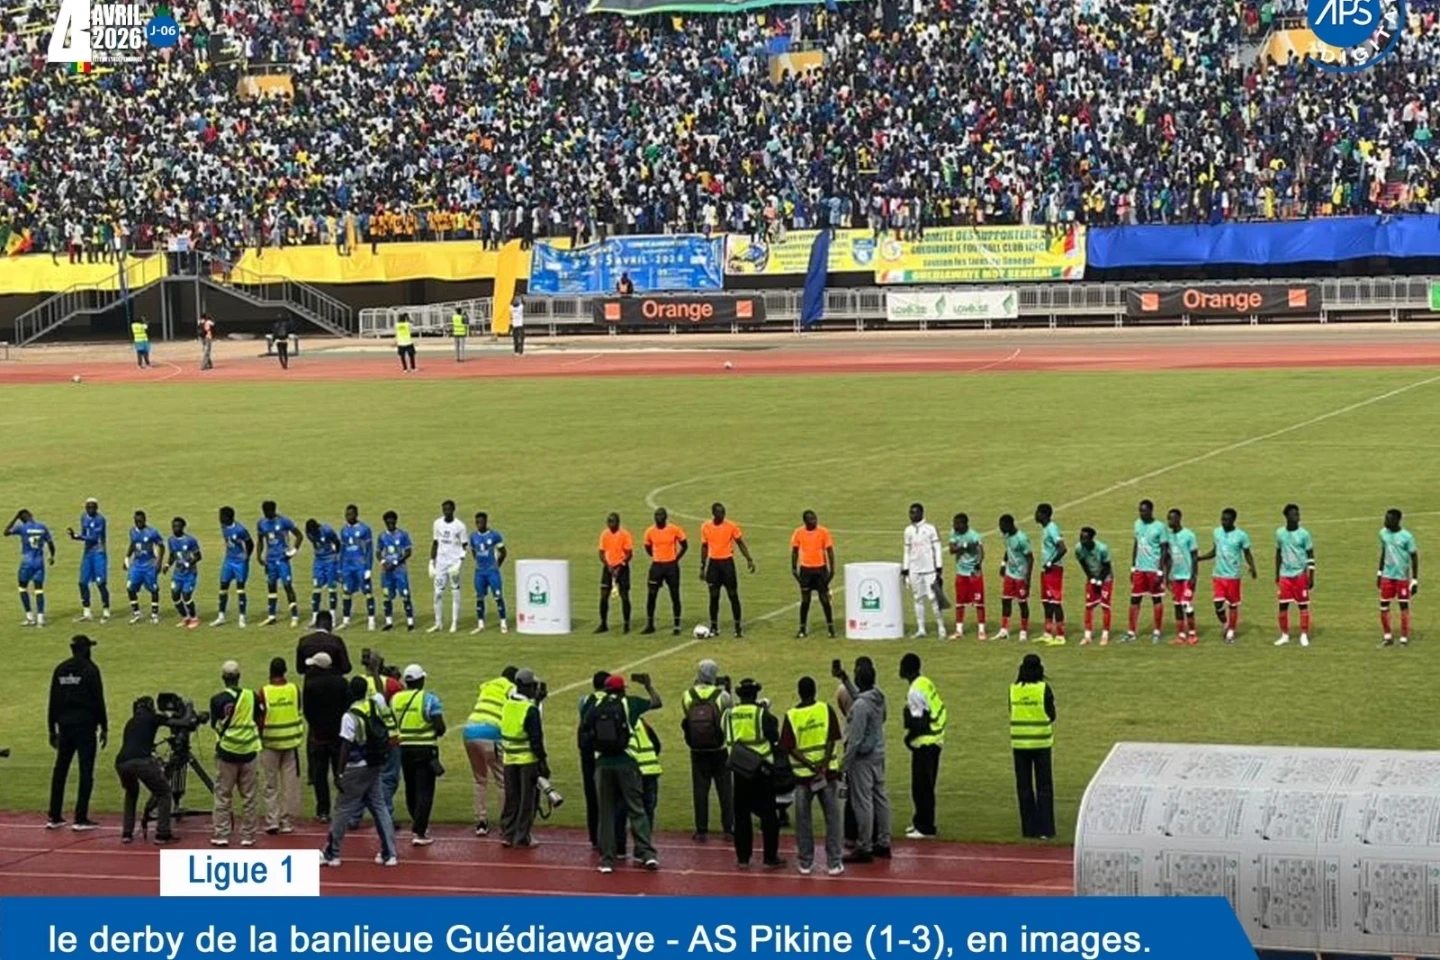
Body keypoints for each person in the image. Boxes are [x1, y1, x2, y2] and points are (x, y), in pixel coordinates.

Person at [321, 675, 400, 867]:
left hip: (356, 767)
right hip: (374, 764)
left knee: (343, 809)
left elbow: (346, 746)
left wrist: (339, 773)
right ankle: (389, 853)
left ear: (350, 692)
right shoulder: (375, 706)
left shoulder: (350, 716)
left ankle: (333, 853)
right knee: (379, 807)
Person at [588, 673, 660, 873]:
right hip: (626, 762)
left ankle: (607, 859)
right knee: (636, 809)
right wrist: (648, 686)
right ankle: (646, 854)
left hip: (602, 764)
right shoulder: (630, 704)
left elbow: (586, 729)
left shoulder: (596, 705)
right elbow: (657, 702)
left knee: (606, 812)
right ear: (623, 689)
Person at [780, 676, 843, 876]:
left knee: (803, 821)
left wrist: (810, 764)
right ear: (815, 691)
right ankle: (834, 862)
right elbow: (832, 739)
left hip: (802, 776)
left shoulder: (791, 715)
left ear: (799, 692)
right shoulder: (826, 709)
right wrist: (823, 764)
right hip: (827, 775)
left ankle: (806, 862)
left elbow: (789, 748)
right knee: (833, 818)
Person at [47, 635, 107, 831]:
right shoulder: (90, 669)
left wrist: (51, 729)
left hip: (64, 726)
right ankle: (80, 817)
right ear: (85, 649)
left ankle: (54, 815)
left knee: (60, 770)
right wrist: (104, 726)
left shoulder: (60, 669)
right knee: (86, 771)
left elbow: (53, 700)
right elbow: (99, 699)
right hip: (85, 726)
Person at [724, 677, 782, 869]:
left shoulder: (728, 714)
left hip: (739, 770)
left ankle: (743, 858)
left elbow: (722, 733)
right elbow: (774, 735)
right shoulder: (761, 714)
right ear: (756, 694)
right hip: (761, 770)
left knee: (741, 815)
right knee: (768, 814)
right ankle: (770, 857)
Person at [209, 659, 264, 847]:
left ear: (223, 678)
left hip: (227, 752)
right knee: (249, 797)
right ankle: (248, 835)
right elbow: (259, 718)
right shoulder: (252, 696)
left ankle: (222, 833)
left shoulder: (217, 700)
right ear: (239, 677)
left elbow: (214, 724)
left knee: (223, 795)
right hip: (249, 751)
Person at [841, 660, 891, 864]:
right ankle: (883, 841)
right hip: (878, 753)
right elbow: (860, 697)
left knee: (863, 802)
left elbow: (855, 740)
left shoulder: (861, 706)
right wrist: (844, 679)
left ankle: (864, 846)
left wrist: (844, 763)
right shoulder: (877, 696)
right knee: (880, 797)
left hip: (862, 758)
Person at [392, 663, 445, 844]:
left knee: (411, 787)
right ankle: (420, 831)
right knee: (425, 790)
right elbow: (440, 727)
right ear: (421, 679)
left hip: (403, 748)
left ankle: (418, 822)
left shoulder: (395, 699)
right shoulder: (429, 699)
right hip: (425, 749)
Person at [682, 659, 733, 843]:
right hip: (719, 749)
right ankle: (728, 829)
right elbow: (729, 715)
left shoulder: (687, 695)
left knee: (700, 790)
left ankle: (701, 830)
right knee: (725, 790)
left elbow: (687, 717)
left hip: (697, 749)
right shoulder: (723, 695)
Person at [115, 695, 177, 844]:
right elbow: (175, 722)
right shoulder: (152, 717)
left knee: (131, 793)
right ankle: (162, 833)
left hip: (121, 762)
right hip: (141, 761)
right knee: (164, 792)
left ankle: (127, 833)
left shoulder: (130, 722)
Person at [899, 652, 946, 839]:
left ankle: (925, 827)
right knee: (924, 785)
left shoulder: (915, 691)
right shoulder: (925, 682)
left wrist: (908, 737)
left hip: (926, 743)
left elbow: (921, 722)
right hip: (935, 739)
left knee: (922, 787)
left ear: (907, 669)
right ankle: (919, 821)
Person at [499, 668, 549, 848]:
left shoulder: (507, 704)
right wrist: (543, 762)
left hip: (508, 758)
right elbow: (536, 740)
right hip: (527, 759)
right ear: (528, 687)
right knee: (527, 800)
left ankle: (507, 833)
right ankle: (522, 836)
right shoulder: (530, 709)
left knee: (512, 798)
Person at [1010, 653, 1056, 840]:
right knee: (1044, 787)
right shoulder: (1043, 688)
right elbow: (1051, 714)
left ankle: (1029, 829)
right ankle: (1045, 829)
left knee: (1024, 787)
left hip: (1019, 744)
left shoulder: (1013, 689)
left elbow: (1011, 710)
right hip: (1041, 743)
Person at [465, 666, 516, 836]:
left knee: (480, 780)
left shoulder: (488, 685)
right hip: (490, 732)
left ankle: (481, 821)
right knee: (502, 779)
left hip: (469, 731)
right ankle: (505, 822)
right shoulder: (510, 688)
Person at [300, 651, 349, 823]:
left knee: (320, 776)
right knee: (340, 773)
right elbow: (347, 708)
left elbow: (307, 711)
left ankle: (323, 811)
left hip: (319, 736)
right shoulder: (342, 683)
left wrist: (316, 726)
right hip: (338, 734)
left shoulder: (311, 684)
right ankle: (344, 808)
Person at [1197, 508, 1257, 644]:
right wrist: (1200, 558)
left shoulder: (1241, 536)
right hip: (1218, 575)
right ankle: (1225, 623)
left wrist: (1252, 567)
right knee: (1217, 604)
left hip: (1233, 576)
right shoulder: (1217, 533)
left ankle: (1231, 631)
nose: (1223, 522)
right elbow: (1214, 551)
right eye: (1222, 519)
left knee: (1233, 605)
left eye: (1226, 520)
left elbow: (1247, 553)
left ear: (1233, 520)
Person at [258, 657, 303, 835]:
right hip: (290, 742)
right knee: (288, 783)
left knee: (271, 784)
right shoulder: (293, 689)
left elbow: (260, 718)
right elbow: (298, 709)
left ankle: (272, 820)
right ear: (285, 671)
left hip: (270, 742)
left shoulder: (265, 691)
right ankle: (286, 821)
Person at [700, 502, 755, 638]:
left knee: (733, 596)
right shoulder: (706, 527)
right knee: (714, 597)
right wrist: (702, 566)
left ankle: (737, 627)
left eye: (723, 512)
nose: (722, 515)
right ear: (713, 513)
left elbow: (740, 542)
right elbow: (704, 547)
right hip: (713, 565)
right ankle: (714, 627)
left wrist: (749, 558)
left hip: (727, 564)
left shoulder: (731, 526)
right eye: (719, 512)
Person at [1126, 499, 1170, 644]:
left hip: (1153, 569)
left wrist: (1160, 571)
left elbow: (1164, 549)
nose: (1141, 513)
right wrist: (1133, 567)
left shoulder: (1160, 527)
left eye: (1144, 510)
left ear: (1151, 511)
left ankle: (1157, 631)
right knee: (1135, 599)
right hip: (1140, 568)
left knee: (1156, 598)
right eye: (1140, 510)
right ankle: (1131, 632)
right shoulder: (1137, 524)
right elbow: (1136, 544)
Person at [902, 502, 946, 640]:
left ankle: (941, 628)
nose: (912, 515)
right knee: (917, 598)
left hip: (929, 570)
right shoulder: (908, 530)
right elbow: (907, 551)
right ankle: (921, 629)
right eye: (910, 512)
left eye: (914, 512)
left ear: (921, 513)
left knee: (933, 598)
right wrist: (905, 569)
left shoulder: (930, 528)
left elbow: (937, 548)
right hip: (914, 570)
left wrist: (939, 567)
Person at [1274, 503, 1316, 647]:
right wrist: (1277, 574)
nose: (1297, 517)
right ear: (1286, 516)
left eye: (1298, 514)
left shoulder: (1304, 534)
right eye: (1294, 514)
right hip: (1285, 575)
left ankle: (1304, 634)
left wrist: (1311, 575)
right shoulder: (1280, 533)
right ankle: (1284, 635)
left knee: (1303, 605)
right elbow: (1278, 553)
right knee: (1283, 605)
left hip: (1300, 574)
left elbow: (1310, 554)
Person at [790, 510, 836, 638]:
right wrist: (794, 568)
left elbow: (830, 551)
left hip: (820, 570)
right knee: (805, 600)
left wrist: (832, 569)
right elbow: (794, 551)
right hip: (806, 570)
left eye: (815, 518)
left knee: (824, 599)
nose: (814, 521)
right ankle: (802, 629)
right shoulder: (798, 533)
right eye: (811, 519)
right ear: (805, 521)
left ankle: (831, 628)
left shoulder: (823, 532)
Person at [1378, 509, 1420, 647]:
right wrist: (1379, 572)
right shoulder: (1383, 533)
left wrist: (1414, 580)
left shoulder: (1407, 537)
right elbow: (1384, 552)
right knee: (1384, 606)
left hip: (1402, 577)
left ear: (1397, 520)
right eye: (1385, 518)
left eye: (1388, 519)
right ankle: (1387, 636)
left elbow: (1414, 557)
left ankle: (1403, 637)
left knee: (1403, 606)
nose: (1385, 521)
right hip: (1387, 576)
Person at [257, 500, 303, 627]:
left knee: (287, 585)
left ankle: (294, 616)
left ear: (273, 510)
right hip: (270, 560)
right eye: (264, 511)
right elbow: (260, 540)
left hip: (282, 559)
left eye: (267, 511)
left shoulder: (284, 521)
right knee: (271, 587)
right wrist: (259, 555)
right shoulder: (261, 523)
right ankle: (271, 616)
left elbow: (299, 535)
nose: (265, 514)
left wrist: (293, 551)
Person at [642, 507, 687, 635]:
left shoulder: (674, 529)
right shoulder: (650, 531)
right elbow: (647, 546)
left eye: (661, 515)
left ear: (666, 517)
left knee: (675, 595)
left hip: (671, 566)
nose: (658, 518)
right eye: (656, 515)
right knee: (651, 595)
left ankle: (677, 625)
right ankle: (650, 624)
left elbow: (684, 545)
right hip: (657, 566)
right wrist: (656, 556)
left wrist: (676, 559)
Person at [7, 509, 55, 627]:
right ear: (31, 515)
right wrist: (52, 556)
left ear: (21, 519)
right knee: (39, 590)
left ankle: (29, 617)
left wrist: (15, 518)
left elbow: (6, 532)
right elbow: (50, 543)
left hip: (27, 563)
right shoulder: (42, 527)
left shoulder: (22, 528)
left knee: (22, 588)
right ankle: (40, 619)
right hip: (39, 563)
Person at [577, 671, 609, 848]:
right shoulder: (611, 701)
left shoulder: (584, 700)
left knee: (591, 795)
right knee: (608, 796)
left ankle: (594, 836)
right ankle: (608, 837)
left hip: (586, 752)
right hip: (604, 752)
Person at [68, 498, 111, 623]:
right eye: (89, 507)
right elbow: (84, 534)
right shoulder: (84, 517)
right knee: (82, 582)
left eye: (93, 507)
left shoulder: (100, 520)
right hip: (87, 553)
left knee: (100, 583)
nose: (91, 509)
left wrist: (77, 536)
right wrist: (76, 536)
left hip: (99, 553)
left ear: (97, 508)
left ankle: (106, 610)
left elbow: (93, 537)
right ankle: (86, 612)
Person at [427, 500, 467, 634]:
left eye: (449, 509)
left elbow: (465, 546)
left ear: (453, 510)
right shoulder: (437, 523)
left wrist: (459, 564)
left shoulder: (460, 526)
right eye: (444, 509)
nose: (446, 512)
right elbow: (435, 543)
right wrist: (431, 562)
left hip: (454, 563)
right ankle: (438, 623)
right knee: (437, 593)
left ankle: (454, 622)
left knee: (455, 592)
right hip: (441, 564)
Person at [213, 506, 253, 628]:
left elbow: (250, 544)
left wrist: (246, 557)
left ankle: (242, 617)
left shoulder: (240, 530)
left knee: (240, 589)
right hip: (228, 561)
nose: (219, 518)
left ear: (227, 517)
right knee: (223, 587)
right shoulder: (224, 527)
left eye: (221, 516)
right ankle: (221, 616)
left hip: (240, 563)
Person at [1165, 509, 1200, 645]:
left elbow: (1194, 556)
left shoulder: (1189, 535)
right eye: (1168, 519)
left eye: (1171, 519)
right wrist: (1168, 576)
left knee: (1187, 605)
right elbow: (1168, 557)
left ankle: (1192, 634)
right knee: (1177, 606)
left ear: (1179, 519)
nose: (1169, 522)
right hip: (1175, 576)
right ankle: (1181, 635)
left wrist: (1194, 575)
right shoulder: (1169, 537)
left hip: (1187, 576)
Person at [948, 513, 986, 640]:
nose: (954, 525)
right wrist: (963, 546)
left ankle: (981, 631)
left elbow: (981, 551)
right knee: (960, 602)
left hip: (973, 574)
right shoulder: (954, 533)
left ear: (963, 524)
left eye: (956, 523)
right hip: (961, 573)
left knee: (979, 602)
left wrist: (977, 565)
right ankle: (959, 630)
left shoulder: (974, 536)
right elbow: (951, 550)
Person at [469, 511, 508, 634]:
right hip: (480, 572)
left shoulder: (495, 535)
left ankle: (503, 623)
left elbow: (503, 552)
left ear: (486, 522)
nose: (478, 524)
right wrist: (479, 563)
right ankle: (480, 624)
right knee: (479, 598)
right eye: (477, 522)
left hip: (492, 572)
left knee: (498, 596)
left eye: (480, 522)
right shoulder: (473, 536)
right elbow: (474, 551)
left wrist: (497, 566)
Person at [338, 505, 376, 631]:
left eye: (350, 514)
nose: (348, 516)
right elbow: (342, 550)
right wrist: (340, 568)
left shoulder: (365, 529)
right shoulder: (343, 530)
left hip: (360, 565)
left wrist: (369, 568)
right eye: (346, 514)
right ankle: (346, 621)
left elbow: (370, 550)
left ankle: (371, 620)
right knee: (346, 593)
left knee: (367, 592)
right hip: (347, 566)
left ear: (356, 514)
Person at [1074, 527, 1114, 645]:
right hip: (1092, 576)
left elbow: (1107, 566)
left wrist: (1100, 579)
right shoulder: (1079, 548)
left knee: (1105, 606)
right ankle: (1087, 636)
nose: (1082, 541)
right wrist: (1091, 577)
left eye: (1085, 539)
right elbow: (1083, 563)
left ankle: (1105, 635)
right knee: (1089, 606)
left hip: (1105, 577)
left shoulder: (1102, 548)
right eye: (1081, 538)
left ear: (1091, 539)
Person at [995, 514, 1032, 641]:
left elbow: (1030, 558)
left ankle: (1023, 631)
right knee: (1005, 600)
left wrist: (1027, 578)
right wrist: (1003, 564)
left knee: (1022, 603)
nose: (1000, 529)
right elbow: (1008, 549)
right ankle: (1004, 630)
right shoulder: (1006, 535)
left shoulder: (1022, 538)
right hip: (1009, 574)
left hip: (1021, 576)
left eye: (1002, 526)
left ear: (1009, 525)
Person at [1034, 503, 1067, 645]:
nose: (1035, 515)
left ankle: (1060, 636)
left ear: (1044, 514)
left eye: (1037, 513)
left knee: (1055, 603)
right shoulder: (1046, 529)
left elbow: (1062, 548)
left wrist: (1050, 563)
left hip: (1054, 570)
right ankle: (1048, 633)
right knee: (1047, 603)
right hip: (1046, 571)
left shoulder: (1052, 528)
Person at [378, 511, 416, 631]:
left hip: (399, 570)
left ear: (396, 521)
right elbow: (378, 552)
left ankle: (410, 622)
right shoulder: (382, 536)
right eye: (388, 522)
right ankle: (389, 622)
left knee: (405, 595)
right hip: (386, 571)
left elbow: (408, 552)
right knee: (387, 596)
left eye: (392, 521)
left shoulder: (403, 535)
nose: (390, 524)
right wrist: (383, 562)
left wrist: (395, 563)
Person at [124, 510, 164, 624]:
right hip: (136, 565)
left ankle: (154, 615)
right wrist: (127, 557)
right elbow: (133, 544)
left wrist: (159, 562)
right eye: (136, 521)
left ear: (145, 520)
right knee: (130, 588)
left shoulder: (152, 532)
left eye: (140, 521)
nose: (138, 523)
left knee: (154, 589)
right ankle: (137, 614)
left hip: (149, 565)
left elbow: (162, 546)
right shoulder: (132, 531)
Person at [597, 513, 634, 633]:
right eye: (609, 522)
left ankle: (626, 624)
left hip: (622, 569)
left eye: (612, 522)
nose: (610, 524)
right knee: (603, 596)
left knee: (624, 596)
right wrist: (607, 565)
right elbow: (601, 553)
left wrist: (621, 565)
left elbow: (629, 553)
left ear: (618, 522)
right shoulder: (605, 534)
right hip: (608, 568)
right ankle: (603, 623)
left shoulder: (625, 535)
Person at [164, 516, 202, 629]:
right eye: (173, 526)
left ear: (183, 527)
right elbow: (172, 555)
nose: (175, 528)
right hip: (177, 574)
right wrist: (167, 565)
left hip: (190, 574)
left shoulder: (190, 540)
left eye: (177, 526)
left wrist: (188, 563)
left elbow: (198, 556)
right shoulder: (171, 540)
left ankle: (194, 618)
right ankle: (185, 617)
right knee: (175, 596)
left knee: (186, 596)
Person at [305, 518, 342, 627]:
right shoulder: (309, 533)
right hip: (318, 561)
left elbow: (337, 542)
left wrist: (336, 556)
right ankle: (314, 618)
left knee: (332, 588)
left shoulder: (327, 530)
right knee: (316, 588)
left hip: (330, 560)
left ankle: (333, 618)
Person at [295, 611, 352, 677]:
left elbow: (300, 669)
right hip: (333, 682)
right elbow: (346, 668)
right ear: (330, 625)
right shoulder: (336, 641)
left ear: (316, 624)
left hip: (311, 683)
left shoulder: (304, 641)